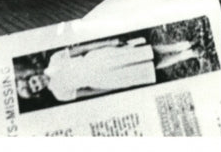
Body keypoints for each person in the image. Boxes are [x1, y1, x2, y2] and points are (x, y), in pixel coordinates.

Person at [17, 37, 201, 104]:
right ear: (38, 92)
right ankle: (188, 54)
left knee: (146, 52)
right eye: (35, 88)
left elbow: (82, 49)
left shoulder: (55, 59)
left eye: (33, 81)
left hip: (102, 58)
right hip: (105, 79)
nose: (38, 84)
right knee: (147, 69)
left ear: (33, 75)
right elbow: (88, 93)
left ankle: (182, 45)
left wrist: (109, 42)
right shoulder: (59, 94)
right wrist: (113, 87)